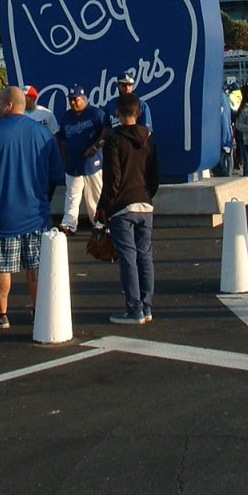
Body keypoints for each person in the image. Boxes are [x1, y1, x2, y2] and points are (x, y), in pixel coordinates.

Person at [0, 86, 63, 330]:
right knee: (37, 265)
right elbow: (55, 175)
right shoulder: (43, 134)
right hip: (37, 213)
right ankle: (40, 311)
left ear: (8, 105)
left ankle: (1, 314)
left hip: (1, 212)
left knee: (0, 265)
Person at [95, 93, 159, 324]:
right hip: (145, 202)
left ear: (117, 114)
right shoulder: (149, 139)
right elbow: (155, 175)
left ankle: (134, 309)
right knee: (145, 256)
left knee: (128, 258)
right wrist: (147, 194)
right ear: (139, 113)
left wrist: (103, 207)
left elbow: (113, 178)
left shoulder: (114, 140)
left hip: (123, 206)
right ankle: (147, 306)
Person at [57, 85, 106, 235]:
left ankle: (99, 224)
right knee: (72, 194)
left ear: (83, 98)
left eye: (75, 99)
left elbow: (106, 133)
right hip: (73, 163)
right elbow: (63, 139)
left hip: (93, 162)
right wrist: (64, 159)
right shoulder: (66, 116)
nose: (73, 103)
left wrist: (96, 147)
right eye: (70, 100)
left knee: (96, 194)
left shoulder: (95, 113)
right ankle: (69, 224)